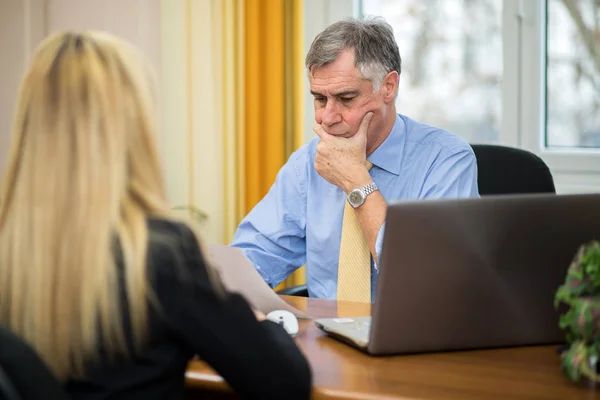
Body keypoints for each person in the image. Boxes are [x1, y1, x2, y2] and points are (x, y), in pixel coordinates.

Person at [0, 31, 311, 400]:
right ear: (131, 129)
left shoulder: (12, 251)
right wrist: (263, 323)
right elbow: (286, 384)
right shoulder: (160, 254)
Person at [231, 17, 479, 302]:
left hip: (416, 337)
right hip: (325, 337)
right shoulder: (307, 164)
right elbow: (252, 258)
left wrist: (356, 181)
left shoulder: (446, 160)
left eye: (346, 98)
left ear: (388, 87)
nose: (327, 118)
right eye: (320, 99)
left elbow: (428, 277)